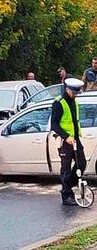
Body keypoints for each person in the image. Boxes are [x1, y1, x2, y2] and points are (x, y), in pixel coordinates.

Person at [51, 78, 86, 206]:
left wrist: (75, 136)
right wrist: (66, 136)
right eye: (73, 92)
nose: (75, 95)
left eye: (77, 93)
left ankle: (68, 186)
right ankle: (66, 196)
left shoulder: (74, 101)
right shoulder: (59, 103)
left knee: (81, 164)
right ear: (67, 89)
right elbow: (54, 125)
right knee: (65, 168)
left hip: (75, 139)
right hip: (65, 141)